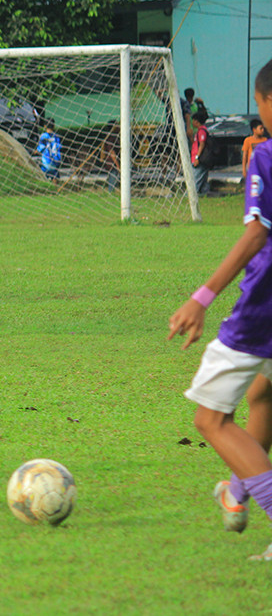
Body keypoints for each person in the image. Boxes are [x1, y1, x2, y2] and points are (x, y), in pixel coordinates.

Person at [167, 56, 272, 561]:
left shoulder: (267, 156)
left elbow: (256, 233)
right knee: (263, 391)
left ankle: (247, 494)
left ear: (265, 101)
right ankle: (236, 491)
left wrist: (201, 297)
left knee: (210, 420)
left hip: (263, 309)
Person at [190, 109, 212, 196]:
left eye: (193, 121)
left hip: (200, 159)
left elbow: (202, 144)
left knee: (196, 179)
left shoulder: (202, 131)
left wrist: (197, 158)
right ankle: (205, 194)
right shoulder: (199, 131)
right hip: (198, 158)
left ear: (196, 121)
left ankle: (192, 195)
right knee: (203, 180)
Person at [35, 118, 62, 184]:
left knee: (42, 174)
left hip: (46, 161)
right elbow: (59, 147)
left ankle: (45, 188)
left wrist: (36, 151)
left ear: (45, 126)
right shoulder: (56, 136)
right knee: (55, 175)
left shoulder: (43, 136)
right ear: (54, 126)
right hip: (56, 160)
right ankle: (55, 189)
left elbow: (41, 147)